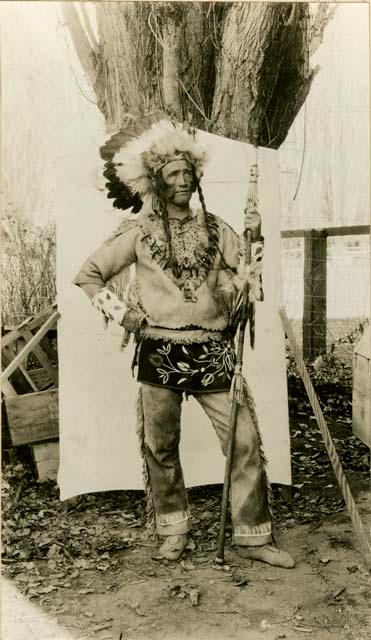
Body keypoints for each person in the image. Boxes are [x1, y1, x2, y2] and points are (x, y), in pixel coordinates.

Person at [74, 119, 294, 568]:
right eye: (172, 174)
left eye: (187, 173)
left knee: (244, 440)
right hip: (159, 351)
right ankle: (173, 529)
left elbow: (249, 280)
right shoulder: (137, 232)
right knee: (160, 446)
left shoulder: (217, 230)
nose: (182, 181)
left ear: (197, 178)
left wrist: (253, 247)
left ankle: (253, 537)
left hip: (212, 351)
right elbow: (88, 275)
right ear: (156, 179)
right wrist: (127, 316)